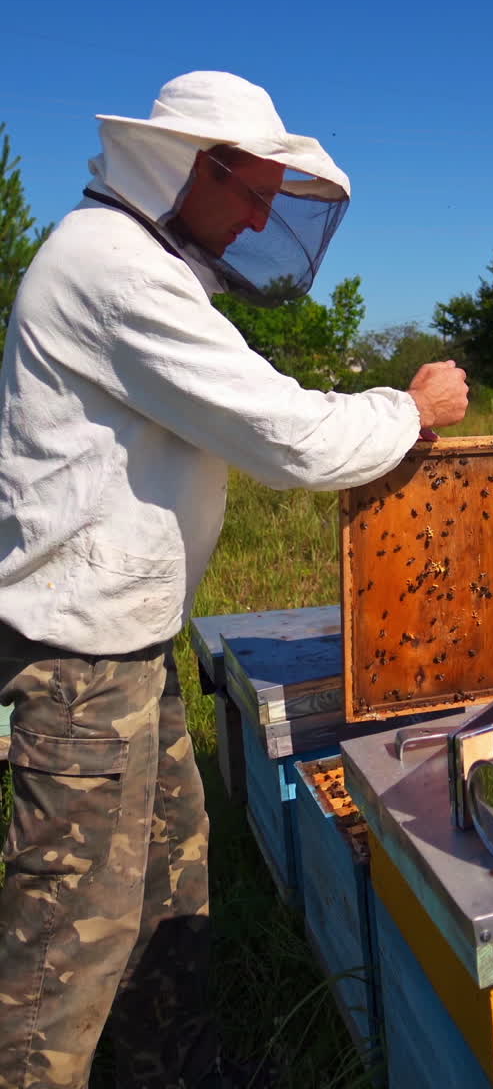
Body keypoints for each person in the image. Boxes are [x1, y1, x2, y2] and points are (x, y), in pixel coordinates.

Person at [0, 70, 468, 1089]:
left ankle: (176, 1067)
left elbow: (263, 404)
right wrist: (411, 407)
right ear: (187, 167)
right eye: (252, 189)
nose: (262, 214)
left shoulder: (135, 264)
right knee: (62, 952)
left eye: (271, 195)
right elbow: (287, 435)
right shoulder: (118, 272)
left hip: (128, 648)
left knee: (170, 883)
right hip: (79, 665)